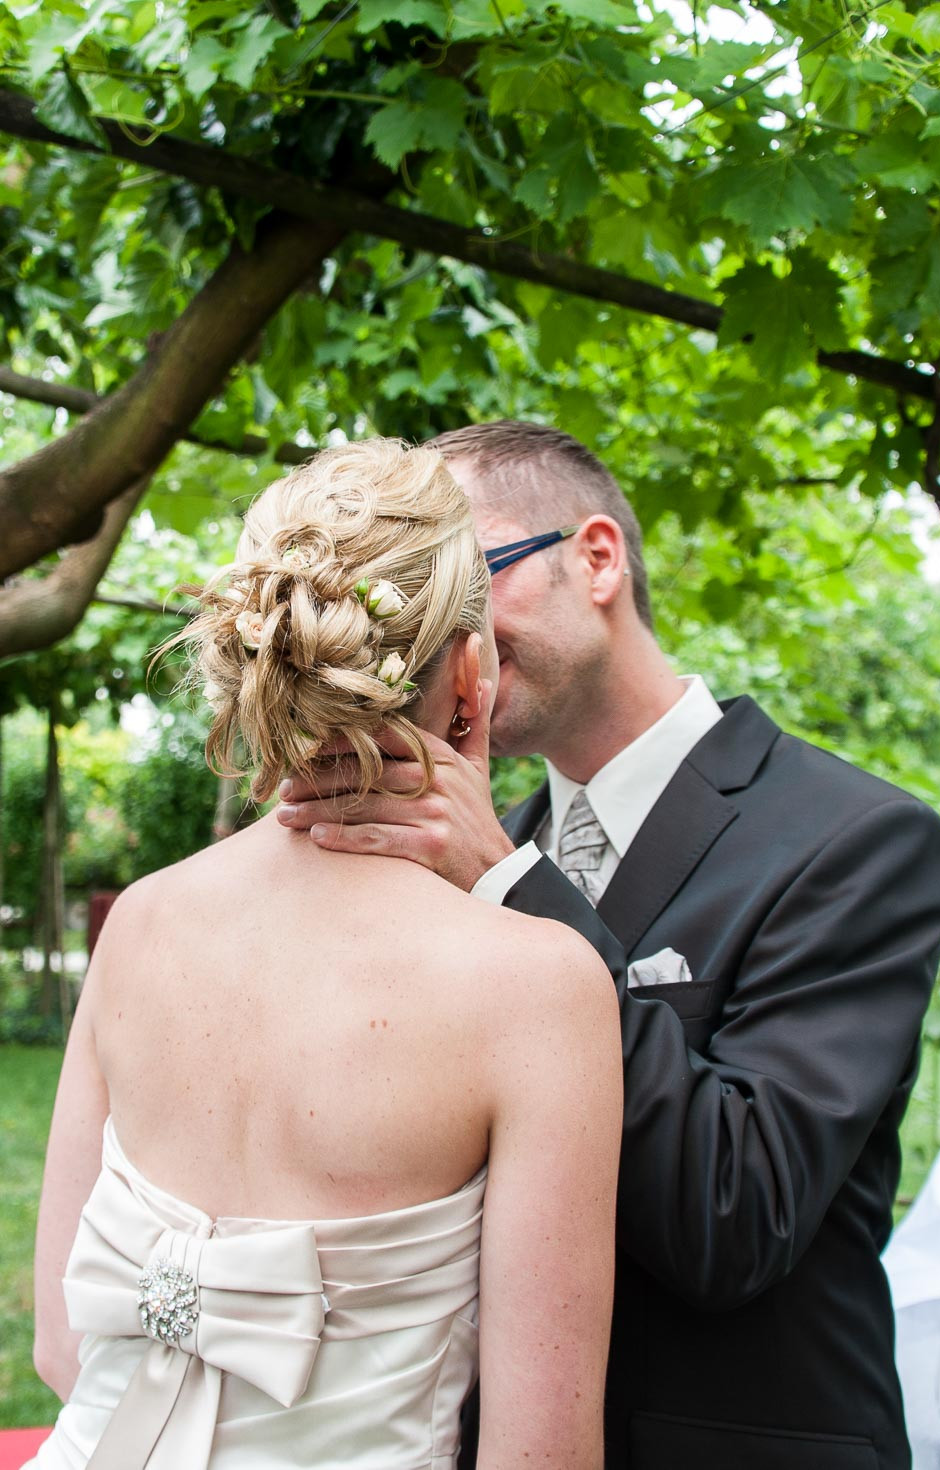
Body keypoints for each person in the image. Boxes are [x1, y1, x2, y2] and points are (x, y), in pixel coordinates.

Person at [278, 422, 940, 1470]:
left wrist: (510, 885)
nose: (429, 634)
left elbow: (739, 1213)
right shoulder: (472, 850)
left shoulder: (856, 841)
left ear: (594, 559)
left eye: (464, 584)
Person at [29, 438, 623, 1470]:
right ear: (470, 677)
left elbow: (60, 1344)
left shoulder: (142, 923)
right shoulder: (537, 985)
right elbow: (541, 1452)